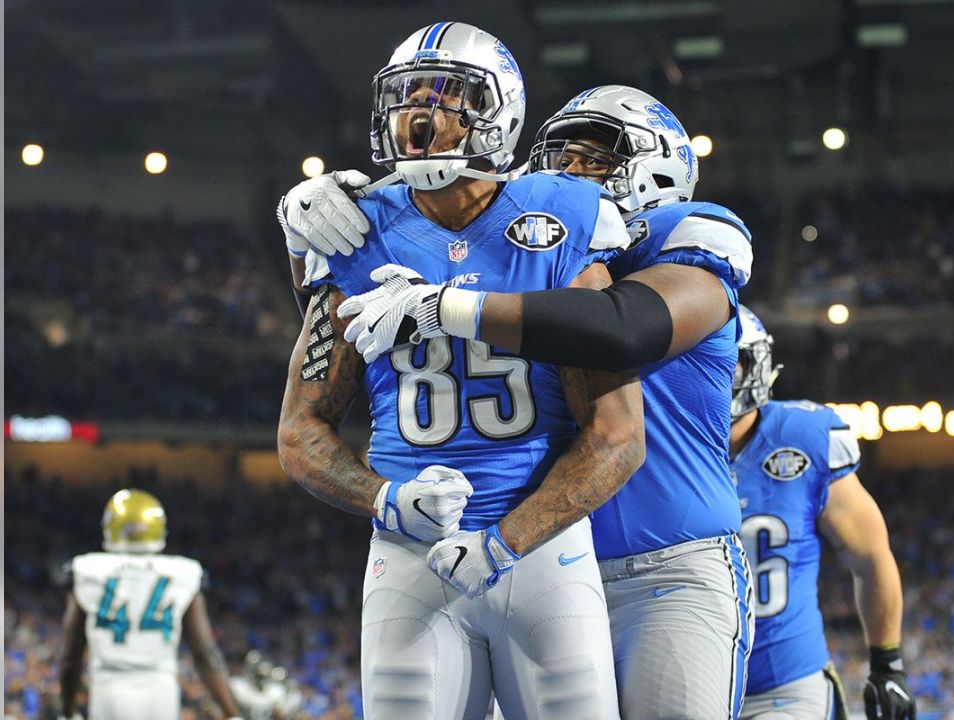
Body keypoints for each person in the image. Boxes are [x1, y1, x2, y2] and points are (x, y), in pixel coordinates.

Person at [289, 85, 756, 719]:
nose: (568, 173)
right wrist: (320, 239)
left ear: (663, 166)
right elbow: (369, 333)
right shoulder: (529, 248)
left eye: (594, 157)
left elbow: (620, 326)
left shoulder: (686, 233)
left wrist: (442, 305)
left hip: (664, 570)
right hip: (543, 552)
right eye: (556, 157)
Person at [275, 23, 642, 720]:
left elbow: (619, 435)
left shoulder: (558, 217)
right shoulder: (355, 227)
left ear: (497, 111)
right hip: (410, 556)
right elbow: (300, 431)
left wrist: (506, 542)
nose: (419, 111)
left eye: (446, 93)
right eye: (406, 93)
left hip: (542, 551)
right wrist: (385, 499)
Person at [728, 307, 916, 720]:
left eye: (731, 360)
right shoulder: (653, 443)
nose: (718, 374)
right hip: (683, 679)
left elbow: (870, 556)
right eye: (704, 359)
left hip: (784, 686)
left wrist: (888, 664)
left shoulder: (803, 438)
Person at [56, 489, 241, 720]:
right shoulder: (183, 573)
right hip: (160, 691)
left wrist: (67, 711)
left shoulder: (87, 570)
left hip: (109, 688)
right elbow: (205, 653)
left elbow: (71, 656)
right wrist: (231, 713)